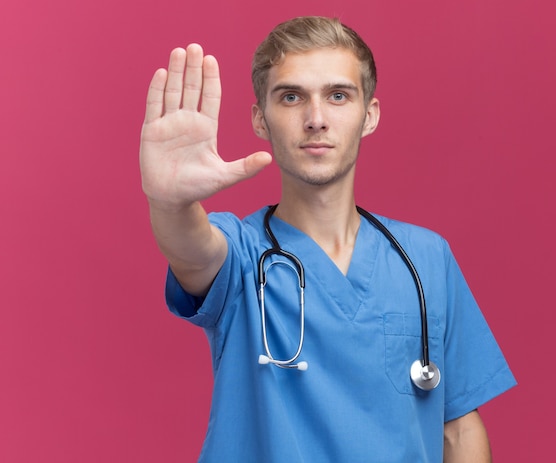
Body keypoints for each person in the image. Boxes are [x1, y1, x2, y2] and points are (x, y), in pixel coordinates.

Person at [140, 16, 515, 463]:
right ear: (261, 119)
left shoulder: (426, 258)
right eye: (291, 97)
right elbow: (190, 248)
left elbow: (457, 430)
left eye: (338, 96)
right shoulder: (241, 256)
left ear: (369, 115)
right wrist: (169, 203)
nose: (315, 119)